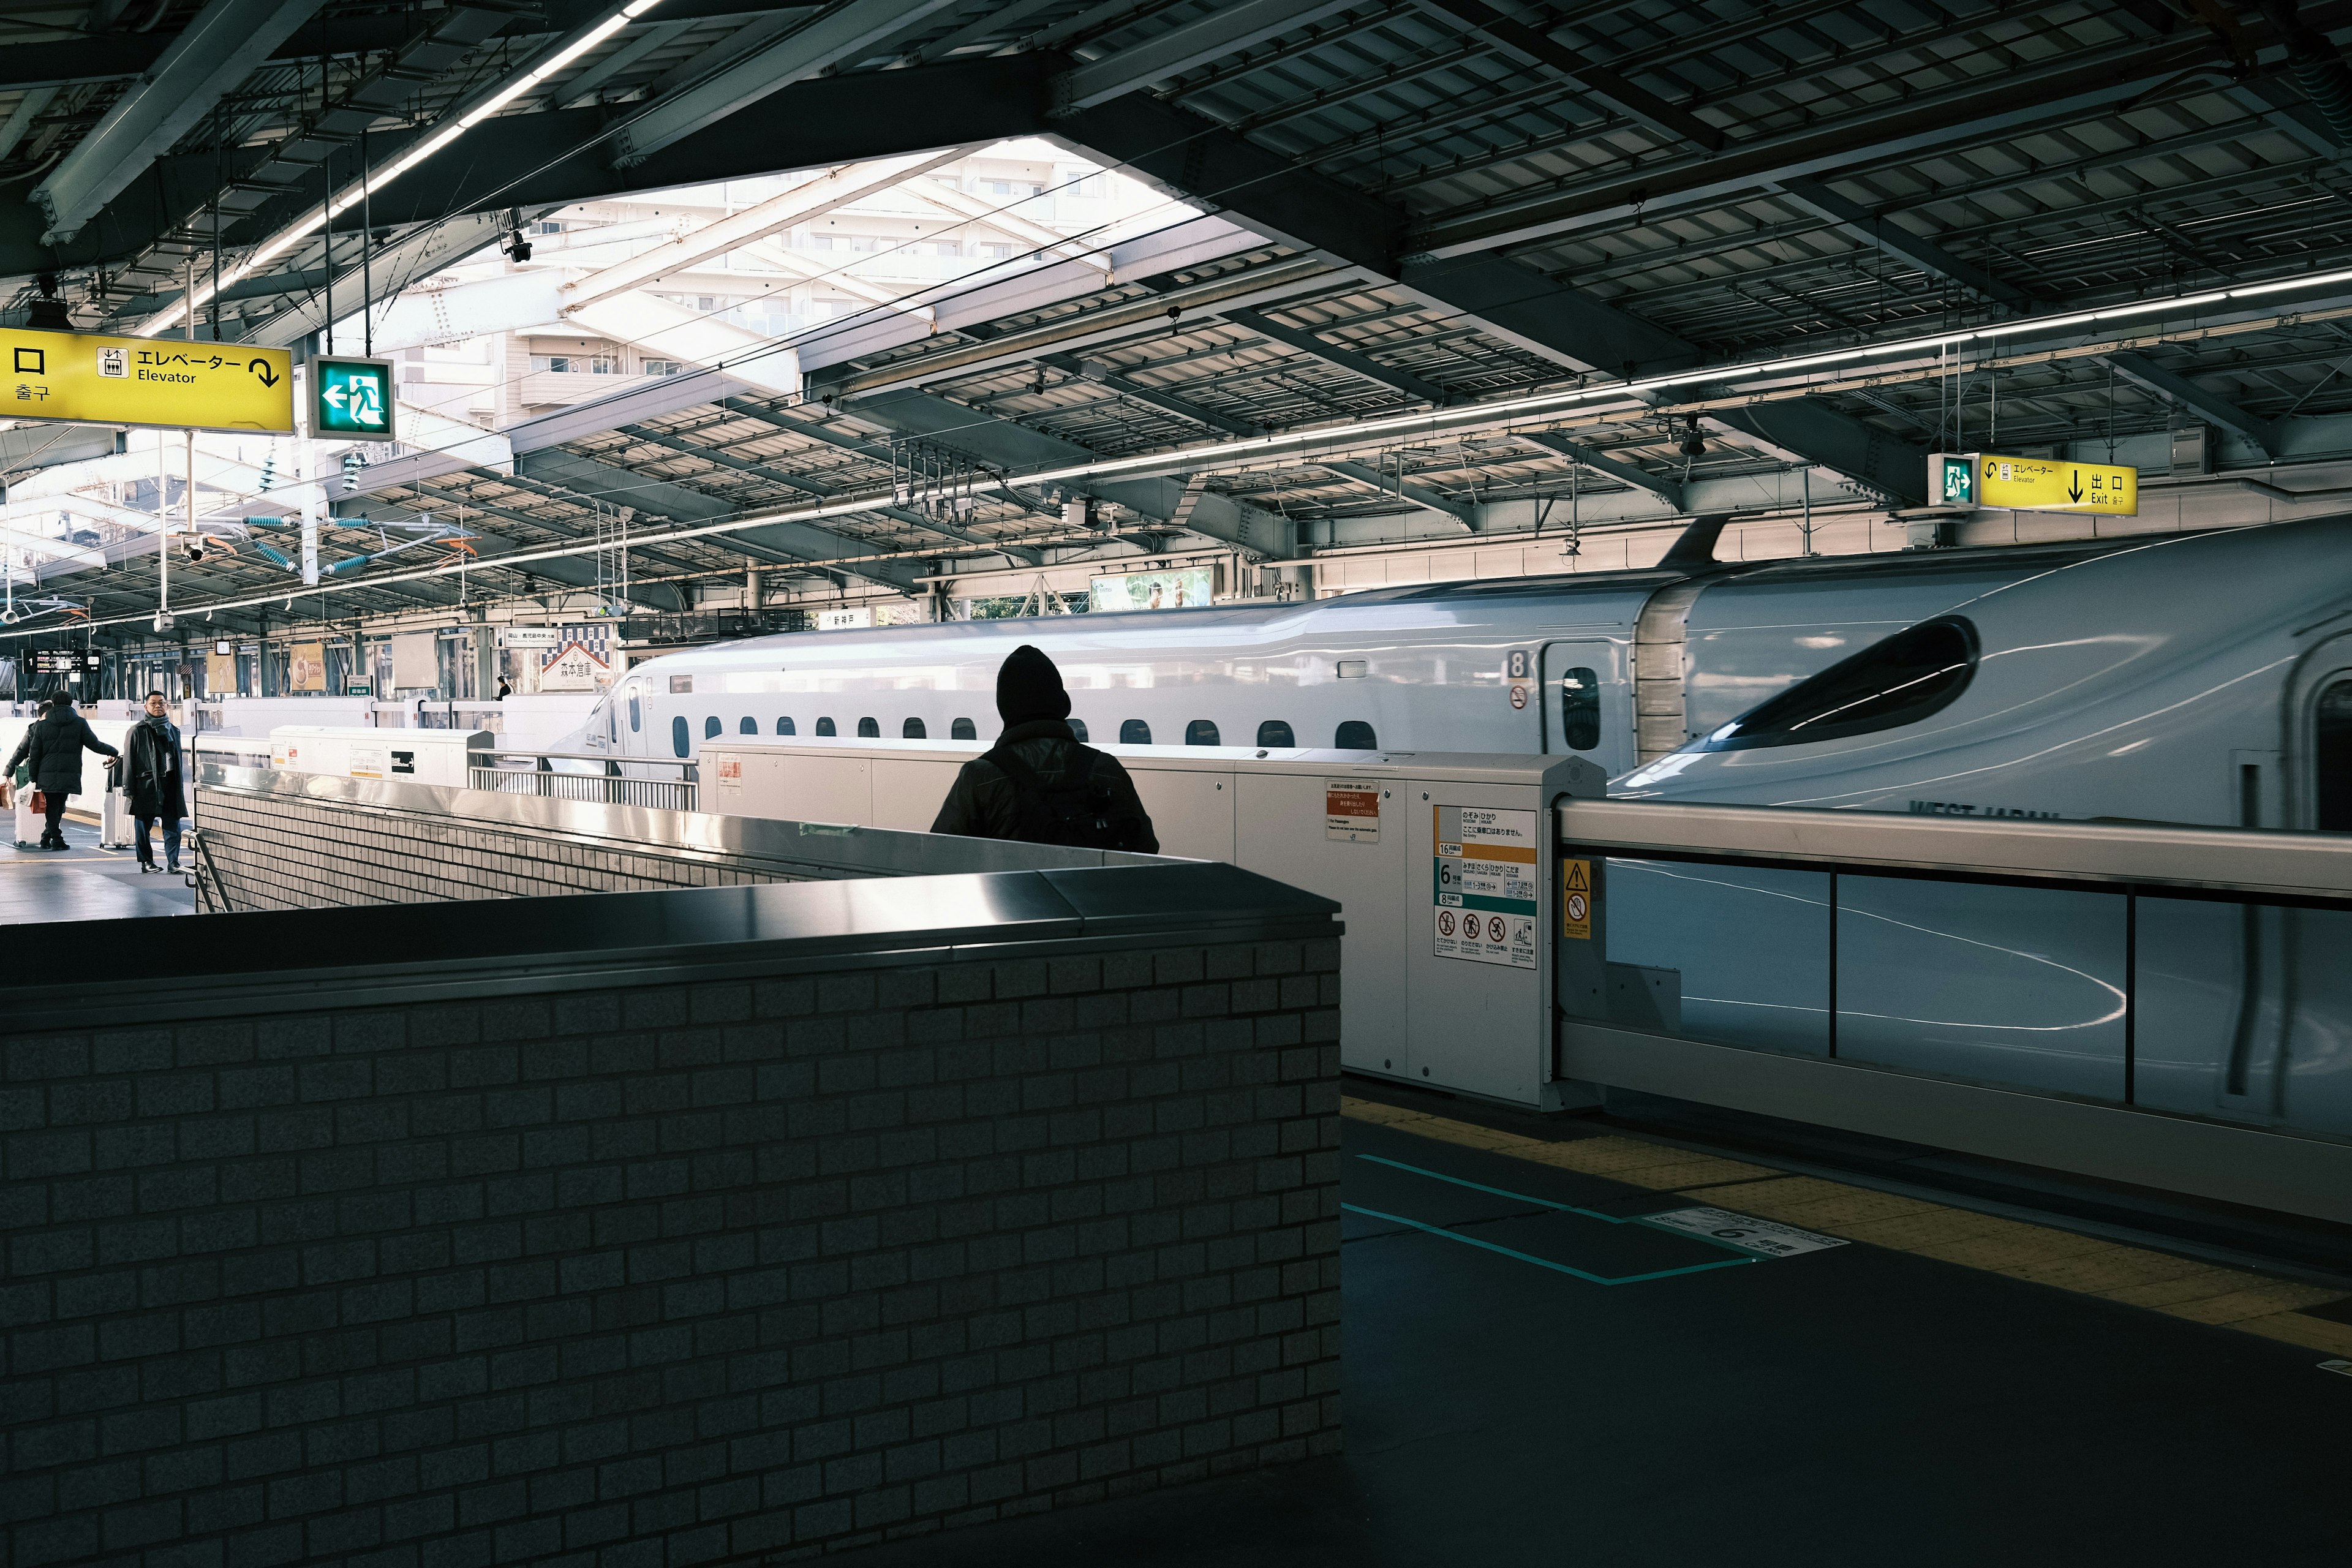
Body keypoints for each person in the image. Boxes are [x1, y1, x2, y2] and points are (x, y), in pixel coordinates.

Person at [932, 645, 1157, 851]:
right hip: (1092, 896)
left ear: (1005, 710)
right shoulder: (1107, 769)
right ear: (1064, 705)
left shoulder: (981, 777)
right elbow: (1147, 849)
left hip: (1009, 897)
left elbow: (939, 855)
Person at [4, 692, 119, 851]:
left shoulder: (42, 726)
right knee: (59, 806)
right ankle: (53, 838)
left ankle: (51, 838)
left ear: (54, 703)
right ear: (71, 703)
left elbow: (34, 754)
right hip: (70, 772)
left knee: (52, 806)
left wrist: (33, 777)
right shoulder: (79, 723)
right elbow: (95, 744)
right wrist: (113, 751)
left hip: (46, 773)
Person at [123, 690, 186, 873]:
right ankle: (146, 862)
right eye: (153, 703)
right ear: (146, 707)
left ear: (167, 706)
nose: (158, 706)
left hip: (170, 785)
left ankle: (173, 862)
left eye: (161, 703)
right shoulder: (137, 731)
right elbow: (129, 761)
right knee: (144, 826)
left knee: (173, 825)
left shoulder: (174, 731)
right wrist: (129, 789)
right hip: (146, 786)